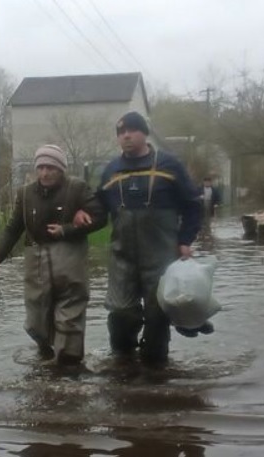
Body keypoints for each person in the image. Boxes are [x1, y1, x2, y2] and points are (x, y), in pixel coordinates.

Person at [75, 111, 202, 367]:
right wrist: (81, 211)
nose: (126, 136)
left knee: (158, 315)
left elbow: (193, 205)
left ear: (145, 133)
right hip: (123, 256)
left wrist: (186, 239)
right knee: (120, 312)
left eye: (132, 130)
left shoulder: (169, 164)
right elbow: (99, 205)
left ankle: (155, 372)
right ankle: (122, 363)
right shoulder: (111, 170)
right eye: (121, 132)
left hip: (161, 255)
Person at [0, 144, 107, 366]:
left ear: (61, 169)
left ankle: (67, 365)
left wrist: (68, 229)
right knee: (36, 316)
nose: (45, 172)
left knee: (70, 311)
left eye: (50, 167)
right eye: (40, 167)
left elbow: (100, 217)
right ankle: (46, 350)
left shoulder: (77, 188)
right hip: (36, 258)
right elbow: (14, 228)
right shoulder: (25, 193)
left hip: (70, 258)